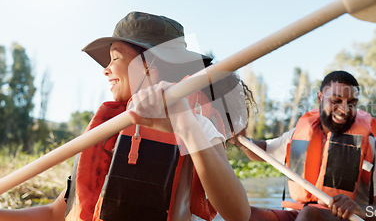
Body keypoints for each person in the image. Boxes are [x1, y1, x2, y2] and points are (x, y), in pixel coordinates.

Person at [0, 11, 252, 221]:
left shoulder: (195, 123)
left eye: (115, 58)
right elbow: (56, 213)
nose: (106, 70)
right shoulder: (107, 131)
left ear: (149, 65)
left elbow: (238, 214)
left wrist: (185, 124)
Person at [234, 70, 376, 221]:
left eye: (352, 103)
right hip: (301, 214)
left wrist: (359, 210)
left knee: (311, 214)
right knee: (244, 214)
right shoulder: (295, 135)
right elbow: (262, 149)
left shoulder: (373, 147)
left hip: (344, 219)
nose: (344, 109)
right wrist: (240, 140)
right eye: (336, 100)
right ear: (320, 98)